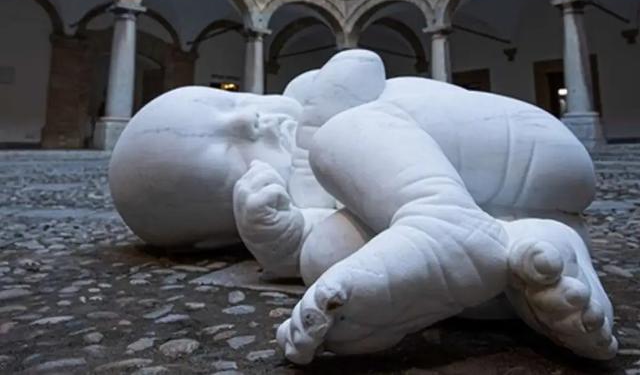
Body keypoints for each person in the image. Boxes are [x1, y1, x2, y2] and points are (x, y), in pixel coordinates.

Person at [109, 50, 617, 365]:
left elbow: (359, 65)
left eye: (234, 103)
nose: (252, 124)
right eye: (228, 153)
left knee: (339, 135)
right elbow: (317, 220)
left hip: (518, 152)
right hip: (510, 210)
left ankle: (446, 227)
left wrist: (310, 147)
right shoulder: (297, 196)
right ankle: (541, 269)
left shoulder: (312, 105)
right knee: (326, 255)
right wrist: (282, 241)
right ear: (219, 237)